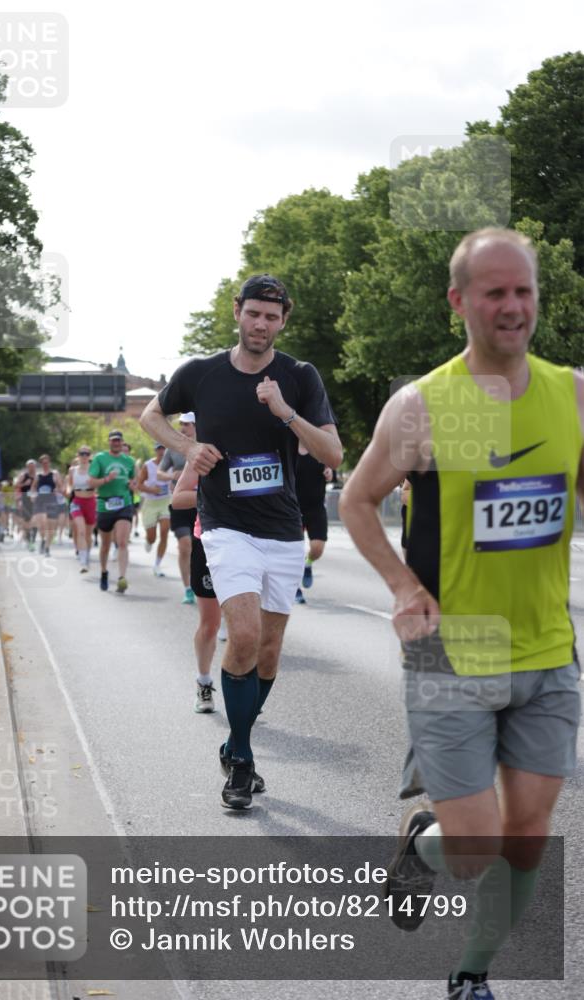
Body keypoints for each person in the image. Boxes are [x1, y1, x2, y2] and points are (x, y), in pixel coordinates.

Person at [339, 228, 583, 1000]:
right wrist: (401, 587)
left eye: (523, 291)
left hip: (547, 649)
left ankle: (469, 974)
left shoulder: (572, 393)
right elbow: (356, 501)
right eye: (493, 292)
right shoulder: (422, 406)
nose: (512, 307)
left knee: (528, 836)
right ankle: (425, 845)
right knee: (476, 847)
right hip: (449, 650)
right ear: (458, 302)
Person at [141, 273, 342, 809]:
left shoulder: (299, 376)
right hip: (225, 525)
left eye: (272, 317)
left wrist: (286, 412)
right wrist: (188, 447)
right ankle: (244, 761)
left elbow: (333, 454)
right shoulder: (201, 373)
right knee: (245, 636)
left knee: (269, 653)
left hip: (283, 529)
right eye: (253, 313)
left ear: (283, 321)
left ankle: (234, 744)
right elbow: (150, 416)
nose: (261, 324)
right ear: (237, 312)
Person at [172, 460, 221, 714]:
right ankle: (204, 682)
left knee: (249, 626)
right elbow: (178, 498)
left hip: (255, 539)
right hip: (210, 541)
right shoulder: (204, 451)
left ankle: (245, 689)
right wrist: (220, 492)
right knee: (210, 624)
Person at [88, 429, 137, 592]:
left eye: (118, 440)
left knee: (122, 542)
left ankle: (122, 577)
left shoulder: (129, 461)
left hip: (124, 504)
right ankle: (104, 571)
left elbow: (134, 481)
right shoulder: (100, 459)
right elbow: (91, 482)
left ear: (122, 442)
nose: (116, 443)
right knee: (105, 545)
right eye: (113, 440)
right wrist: (106, 479)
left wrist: (133, 485)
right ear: (109, 442)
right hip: (105, 505)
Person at [158, 412, 198, 604]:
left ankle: (204, 585)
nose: (183, 428)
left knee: (200, 549)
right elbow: (160, 472)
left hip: (201, 504)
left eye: (187, 424)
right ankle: (188, 588)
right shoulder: (173, 449)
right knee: (184, 545)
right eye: (181, 424)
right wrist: (171, 476)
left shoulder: (206, 446)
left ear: (196, 425)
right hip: (180, 503)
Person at [294, 443, 334, 603]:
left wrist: (329, 472)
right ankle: (295, 588)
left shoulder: (319, 449)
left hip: (316, 509)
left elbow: (332, 466)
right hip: (293, 509)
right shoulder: (289, 448)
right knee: (295, 552)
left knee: (317, 549)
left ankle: (308, 564)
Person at [137, 443, 171, 577]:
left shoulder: (172, 465)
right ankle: (149, 541)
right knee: (152, 537)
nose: (162, 451)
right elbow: (139, 485)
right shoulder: (148, 465)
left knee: (165, 531)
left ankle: (157, 564)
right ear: (156, 451)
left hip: (165, 502)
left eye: (164, 448)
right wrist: (151, 490)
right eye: (159, 449)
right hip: (150, 503)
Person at [68, 446, 95, 572]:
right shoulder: (72, 470)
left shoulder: (94, 469)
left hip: (91, 502)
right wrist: (68, 490)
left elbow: (99, 484)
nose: (84, 456)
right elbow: (69, 485)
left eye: (86, 454)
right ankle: (83, 562)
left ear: (90, 456)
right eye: (82, 454)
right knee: (81, 531)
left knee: (88, 534)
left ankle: (86, 556)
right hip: (77, 502)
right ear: (78, 455)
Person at [33, 455, 63, 556]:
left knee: (51, 526)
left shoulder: (55, 474)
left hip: (51, 500)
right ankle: (43, 540)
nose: (45, 464)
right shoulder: (38, 475)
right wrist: (32, 496)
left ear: (49, 463)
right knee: (41, 524)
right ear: (41, 464)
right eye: (43, 463)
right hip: (40, 501)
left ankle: (47, 547)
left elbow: (61, 487)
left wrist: (58, 489)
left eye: (47, 462)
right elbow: (33, 487)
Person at [15, 460, 38, 550]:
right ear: (27, 467)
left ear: (35, 467)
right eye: (29, 466)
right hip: (26, 500)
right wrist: (24, 484)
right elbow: (16, 485)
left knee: (36, 519)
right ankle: (28, 539)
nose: (31, 468)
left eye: (33, 466)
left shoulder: (38, 476)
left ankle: (33, 539)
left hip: (36, 499)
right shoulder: (24, 475)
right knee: (27, 521)